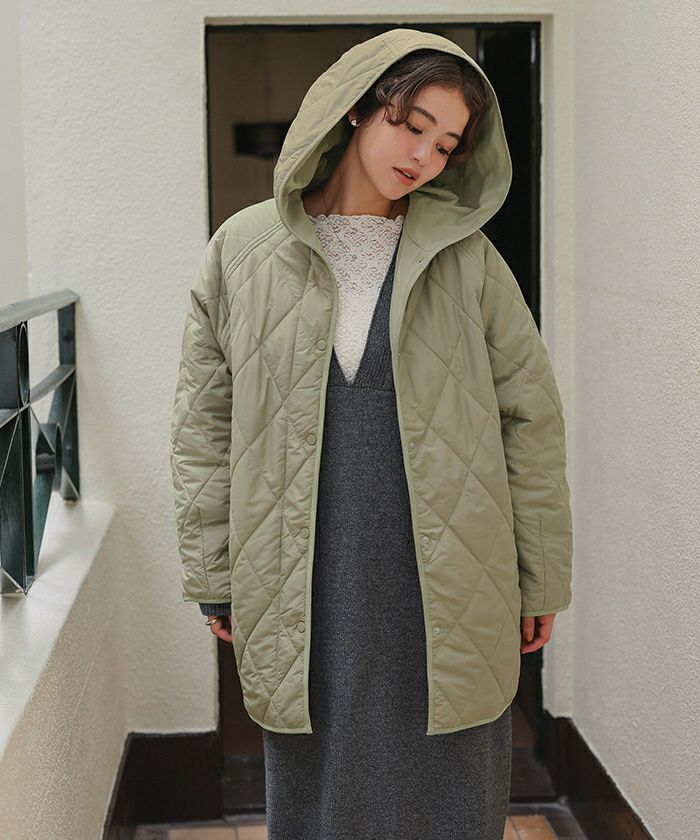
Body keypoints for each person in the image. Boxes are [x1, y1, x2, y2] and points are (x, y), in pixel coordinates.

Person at [170, 27, 573, 840]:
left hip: (452, 561)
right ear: (357, 108)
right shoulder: (243, 250)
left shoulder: (469, 259)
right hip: (300, 561)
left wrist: (542, 578)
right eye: (411, 124)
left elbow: (529, 417)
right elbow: (203, 424)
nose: (423, 155)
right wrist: (213, 570)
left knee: (453, 767)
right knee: (321, 766)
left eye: (446, 144)